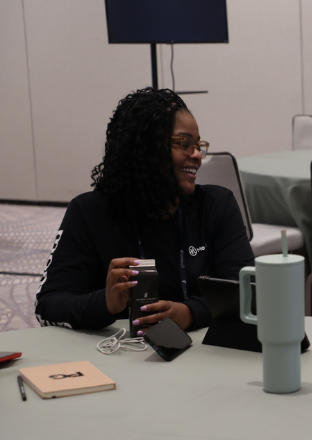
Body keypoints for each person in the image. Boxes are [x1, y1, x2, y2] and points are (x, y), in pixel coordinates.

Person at [35, 88, 254, 333]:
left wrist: (190, 313)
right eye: (184, 144)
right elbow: (47, 306)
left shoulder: (216, 205)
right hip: (117, 351)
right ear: (147, 148)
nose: (196, 155)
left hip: (203, 347)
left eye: (197, 145)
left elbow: (246, 291)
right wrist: (105, 303)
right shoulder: (89, 213)